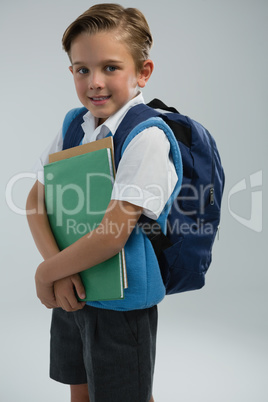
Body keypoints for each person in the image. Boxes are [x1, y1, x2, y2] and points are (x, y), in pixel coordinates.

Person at [26, 4, 182, 402]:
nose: (94, 81)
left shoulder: (146, 136)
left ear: (142, 72)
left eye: (110, 67)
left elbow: (113, 234)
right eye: (82, 69)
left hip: (122, 304)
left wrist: (46, 273)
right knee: (80, 386)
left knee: (122, 394)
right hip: (75, 290)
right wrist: (57, 273)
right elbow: (36, 198)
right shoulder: (75, 125)